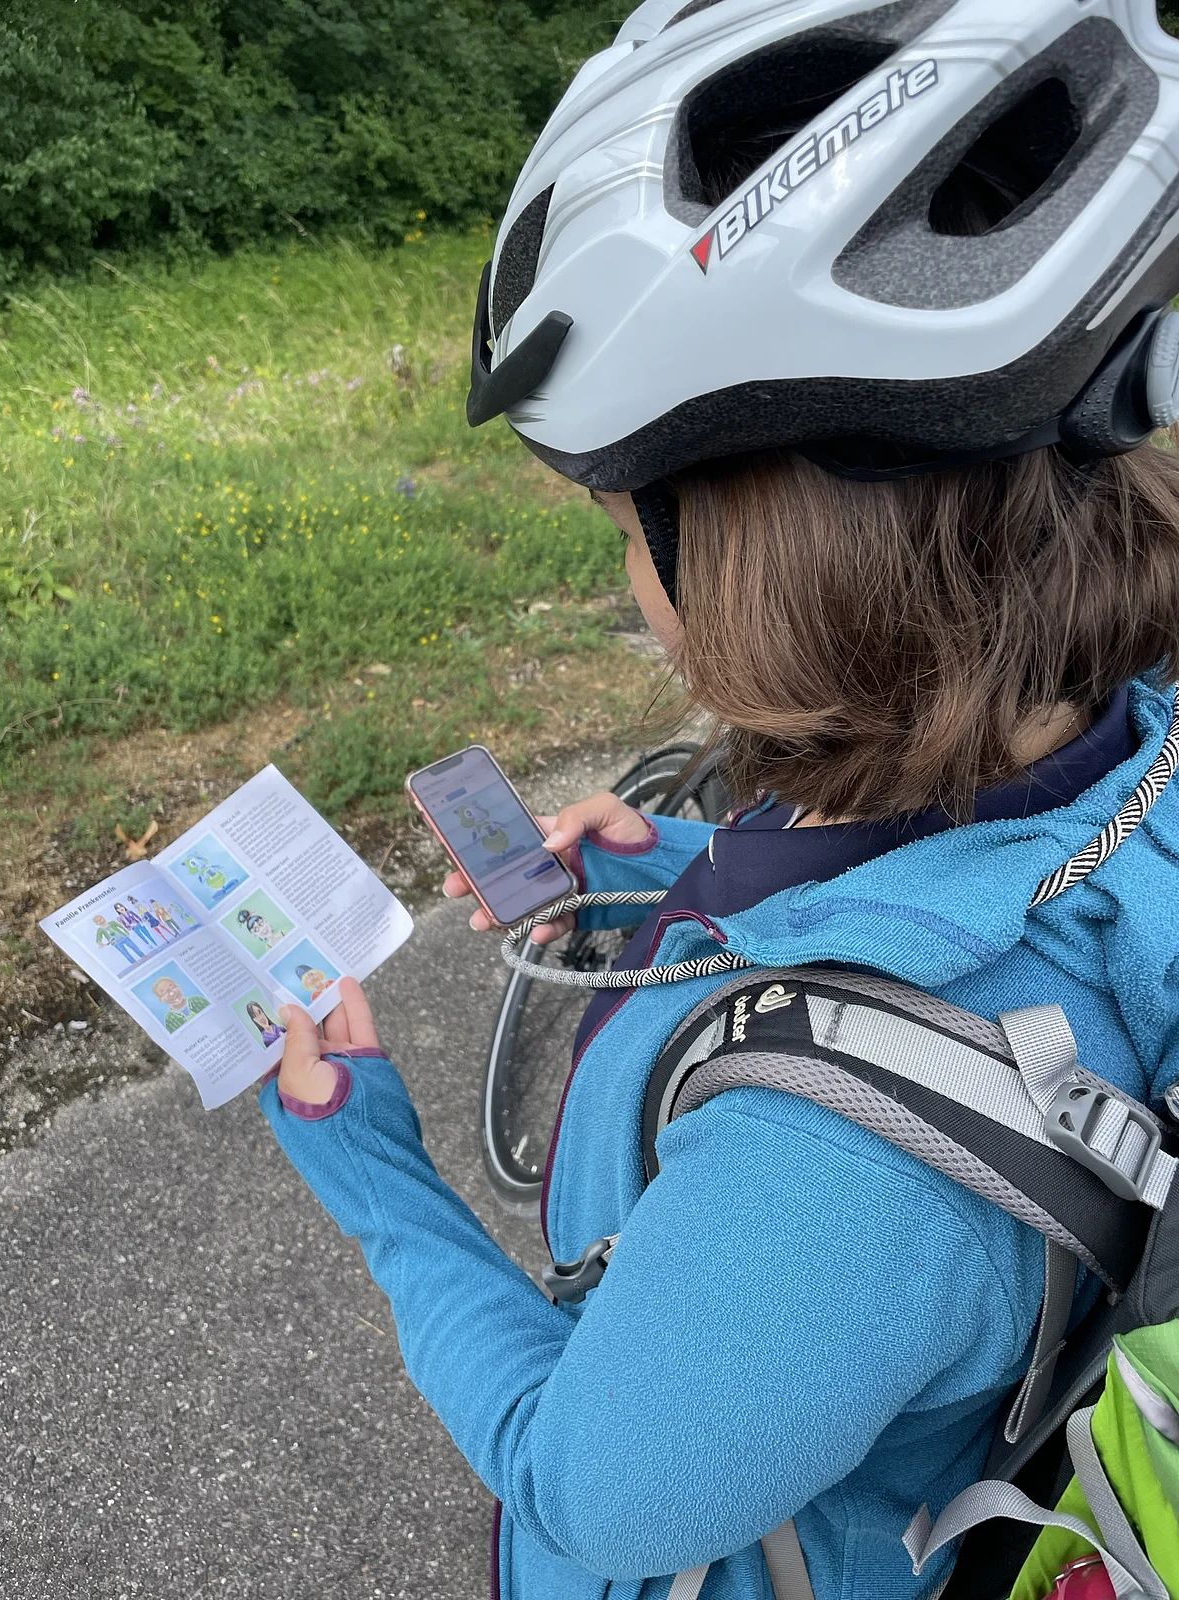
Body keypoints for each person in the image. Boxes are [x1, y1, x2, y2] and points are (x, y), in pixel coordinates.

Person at [258, 4, 1179, 1597]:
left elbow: (587, 1495)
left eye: (630, 526)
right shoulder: (1132, 748)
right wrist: (691, 865)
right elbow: (1010, 895)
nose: (630, 578)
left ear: (775, 564)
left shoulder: (837, 1172)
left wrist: (371, 1171)